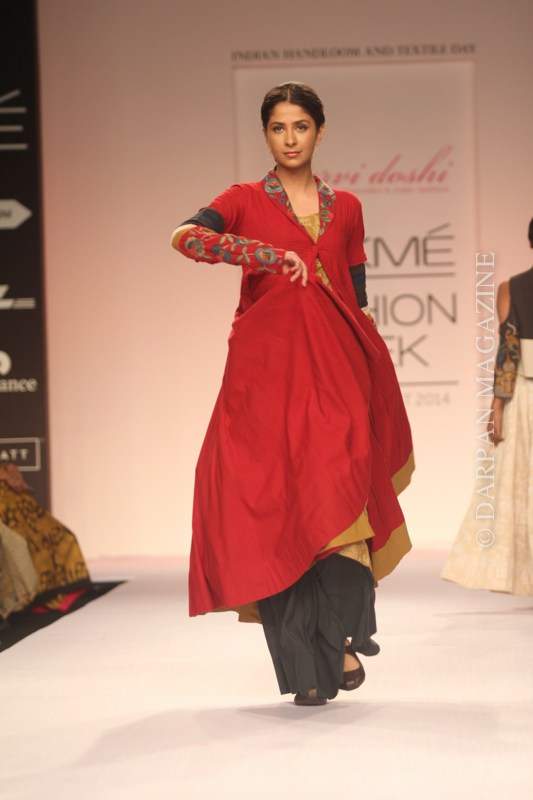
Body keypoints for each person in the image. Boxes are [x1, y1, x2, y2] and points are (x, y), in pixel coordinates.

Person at [171, 82, 414, 704]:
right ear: (265, 135)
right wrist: (264, 254)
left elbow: (357, 296)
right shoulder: (243, 199)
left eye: (300, 126)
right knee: (281, 509)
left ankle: (341, 639)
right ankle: (313, 667)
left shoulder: (348, 207)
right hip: (266, 376)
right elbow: (186, 237)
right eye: (278, 128)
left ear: (319, 132)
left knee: (338, 495)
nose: (290, 139)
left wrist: (372, 369)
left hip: (335, 370)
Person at [441, 218, 533, 594]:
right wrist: (496, 408)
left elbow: (509, 349)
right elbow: (508, 349)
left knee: (521, 485)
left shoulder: (512, 288)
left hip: (525, 396)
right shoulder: (512, 288)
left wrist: (496, 407)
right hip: (525, 393)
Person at [0, 463, 91, 619]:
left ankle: (36, 598)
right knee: (18, 545)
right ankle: (20, 602)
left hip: (11, 498)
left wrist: (9, 471)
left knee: (62, 537)